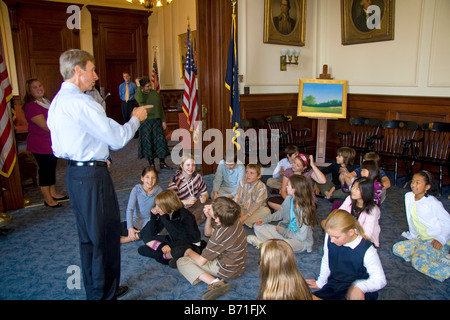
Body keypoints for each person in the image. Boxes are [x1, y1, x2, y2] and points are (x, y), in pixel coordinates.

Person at [47, 49, 147, 300]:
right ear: (78, 70)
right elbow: (117, 138)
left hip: (75, 173)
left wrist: (94, 153)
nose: (96, 75)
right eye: (92, 70)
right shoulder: (81, 103)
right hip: (92, 178)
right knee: (105, 236)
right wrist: (135, 118)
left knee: (89, 238)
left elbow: (61, 145)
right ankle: (104, 295)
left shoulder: (58, 100)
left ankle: (99, 290)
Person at [306, 209, 387, 300]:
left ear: (351, 232)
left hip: (359, 288)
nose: (332, 240)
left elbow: (380, 280)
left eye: (336, 237)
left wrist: (360, 287)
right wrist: (320, 282)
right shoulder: (331, 236)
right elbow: (326, 259)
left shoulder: (367, 250)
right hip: (336, 284)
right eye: (330, 235)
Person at [177, 197, 247, 300]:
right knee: (204, 251)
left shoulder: (219, 235)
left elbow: (201, 261)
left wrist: (188, 251)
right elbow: (208, 233)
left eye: (212, 208)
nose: (210, 207)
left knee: (182, 261)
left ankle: (215, 283)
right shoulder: (233, 219)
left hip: (227, 270)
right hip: (239, 265)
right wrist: (209, 218)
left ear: (218, 219)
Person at [393, 170, 450, 282]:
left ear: (427, 187)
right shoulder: (409, 196)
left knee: (418, 262)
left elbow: (448, 222)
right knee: (397, 248)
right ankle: (432, 256)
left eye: (418, 182)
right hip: (421, 239)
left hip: (436, 239)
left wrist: (441, 239)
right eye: (413, 181)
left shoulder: (433, 203)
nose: (413, 185)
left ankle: (445, 266)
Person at [22, 78, 68, 208]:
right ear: (29, 91)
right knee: (45, 170)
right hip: (40, 143)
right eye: (34, 87)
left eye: (40, 86)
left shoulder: (46, 102)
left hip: (50, 142)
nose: (39, 89)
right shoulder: (31, 106)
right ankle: (48, 199)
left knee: (51, 167)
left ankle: (53, 192)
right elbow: (44, 125)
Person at [248, 175, 317, 253]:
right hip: (285, 232)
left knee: (283, 244)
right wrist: (265, 220)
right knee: (257, 226)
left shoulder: (304, 212)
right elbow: (281, 213)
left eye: (288, 185)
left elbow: (301, 237)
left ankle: (266, 244)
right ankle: (270, 245)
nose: (286, 187)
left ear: (294, 190)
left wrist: (283, 231)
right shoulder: (289, 199)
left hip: (299, 241)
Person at [137, 189, 205, 267]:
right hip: (174, 240)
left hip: (188, 243)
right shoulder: (164, 214)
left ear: (167, 206)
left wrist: (170, 246)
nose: (156, 208)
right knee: (142, 248)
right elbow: (153, 232)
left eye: (158, 206)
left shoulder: (185, 215)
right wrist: (153, 216)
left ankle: (164, 254)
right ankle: (166, 255)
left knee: (175, 253)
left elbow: (192, 238)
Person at [331, 177, 381, 247]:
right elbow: (339, 214)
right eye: (353, 187)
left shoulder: (372, 209)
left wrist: (347, 234)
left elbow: (367, 234)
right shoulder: (349, 199)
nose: (353, 190)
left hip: (364, 239)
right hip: (348, 232)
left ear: (366, 191)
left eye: (357, 189)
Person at [134, 77, 170, 169]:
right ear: (142, 87)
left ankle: (162, 162)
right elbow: (140, 101)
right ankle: (152, 164)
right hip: (146, 122)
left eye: (150, 85)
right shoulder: (139, 94)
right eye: (147, 86)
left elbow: (160, 107)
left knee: (160, 142)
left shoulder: (154, 93)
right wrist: (138, 87)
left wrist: (163, 120)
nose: (149, 87)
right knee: (148, 143)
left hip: (157, 121)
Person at [120, 166, 162, 244]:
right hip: (135, 221)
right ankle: (140, 235)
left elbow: (162, 208)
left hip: (149, 222)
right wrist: (130, 228)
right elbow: (130, 209)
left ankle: (137, 236)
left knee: (162, 220)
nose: (150, 180)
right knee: (111, 232)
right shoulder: (136, 190)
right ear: (142, 178)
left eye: (153, 178)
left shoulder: (158, 190)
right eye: (147, 177)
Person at [168, 153, 210, 225]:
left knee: (213, 202)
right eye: (188, 165)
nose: (191, 167)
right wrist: (185, 201)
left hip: (195, 204)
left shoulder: (197, 177)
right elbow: (171, 203)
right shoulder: (175, 181)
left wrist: (204, 197)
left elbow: (205, 193)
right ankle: (195, 219)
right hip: (181, 208)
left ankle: (196, 218)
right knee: (194, 215)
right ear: (181, 166)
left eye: (193, 165)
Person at [234, 163, 271, 228]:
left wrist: (245, 216)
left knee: (266, 211)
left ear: (259, 176)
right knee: (233, 207)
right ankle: (245, 222)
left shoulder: (261, 187)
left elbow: (257, 205)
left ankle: (241, 221)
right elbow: (238, 198)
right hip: (243, 208)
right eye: (247, 172)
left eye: (252, 173)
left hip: (255, 210)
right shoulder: (242, 182)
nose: (248, 175)